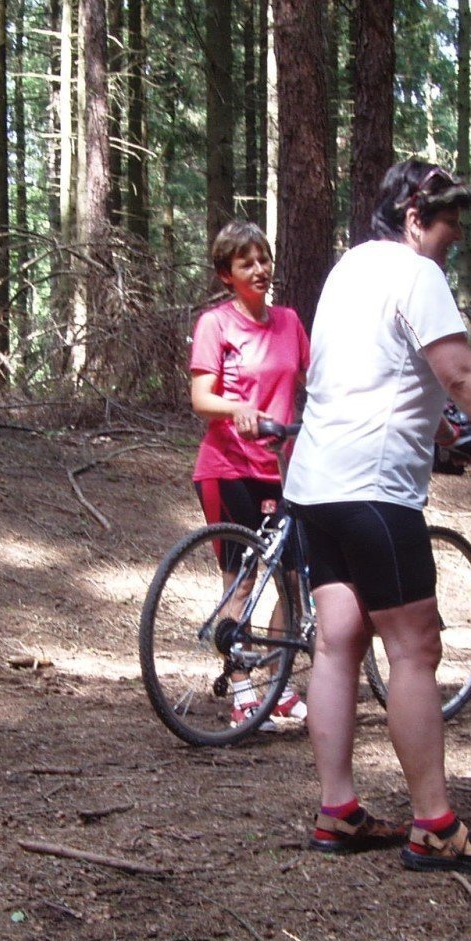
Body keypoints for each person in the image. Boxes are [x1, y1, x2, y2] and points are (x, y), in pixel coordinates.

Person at [284, 160, 471, 871]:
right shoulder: (417, 274)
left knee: (339, 639)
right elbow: (459, 372)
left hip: (314, 484)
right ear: (412, 218)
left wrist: (438, 434)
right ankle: (434, 824)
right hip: (374, 492)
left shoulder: (348, 270)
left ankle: (337, 810)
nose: (453, 241)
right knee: (414, 647)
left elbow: (362, 371)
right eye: (448, 228)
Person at [188, 221, 310, 724]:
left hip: (279, 471)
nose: (259, 270)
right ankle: (242, 693)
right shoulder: (216, 324)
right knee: (241, 581)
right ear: (226, 275)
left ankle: (276, 685)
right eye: (246, 263)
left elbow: (314, 382)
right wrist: (234, 406)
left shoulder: (289, 322)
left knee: (293, 581)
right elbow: (200, 399)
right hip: (228, 467)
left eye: (263, 259)